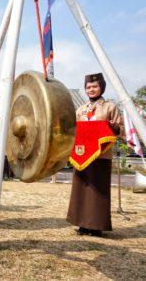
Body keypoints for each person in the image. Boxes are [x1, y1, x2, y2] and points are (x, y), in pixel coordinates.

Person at [67, 73, 122, 237]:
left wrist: (114, 127)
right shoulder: (80, 110)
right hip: (81, 156)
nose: (91, 89)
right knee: (81, 190)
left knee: (97, 192)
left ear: (101, 87)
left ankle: (96, 225)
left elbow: (120, 129)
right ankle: (82, 224)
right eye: (88, 87)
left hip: (101, 156)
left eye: (95, 86)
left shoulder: (110, 107)